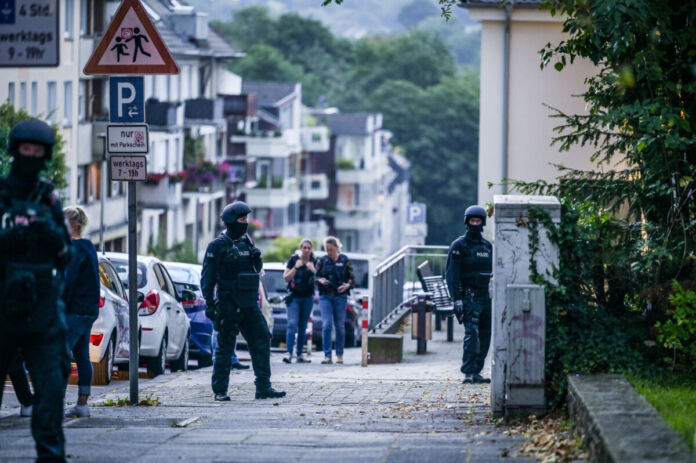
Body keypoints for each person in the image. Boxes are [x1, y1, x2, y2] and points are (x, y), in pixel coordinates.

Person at [0, 119, 72, 462]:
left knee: (52, 391)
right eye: (26, 150)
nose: (31, 156)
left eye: (37, 151)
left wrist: (51, 237)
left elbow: (66, 254)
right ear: (15, 151)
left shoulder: (48, 198)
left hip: (42, 308)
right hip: (2, 304)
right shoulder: (2, 193)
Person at [201, 201, 285, 401]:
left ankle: (263, 387)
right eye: (242, 219)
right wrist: (210, 304)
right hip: (228, 303)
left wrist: (257, 260)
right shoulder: (217, 246)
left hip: (249, 303)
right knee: (225, 347)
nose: (245, 222)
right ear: (231, 220)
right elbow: (207, 278)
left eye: (247, 219)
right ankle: (220, 390)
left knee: (262, 339)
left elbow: (256, 272)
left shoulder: (247, 242)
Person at [445, 205, 493, 384]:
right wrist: (456, 299)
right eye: (472, 220)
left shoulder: (487, 246)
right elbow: (451, 275)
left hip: (484, 296)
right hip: (468, 296)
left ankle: (477, 370)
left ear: (482, 223)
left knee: (485, 334)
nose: (475, 223)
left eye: (478, 220)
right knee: (471, 333)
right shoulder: (459, 246)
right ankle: (468, 371)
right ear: (467, 222)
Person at [62, 206, 100, 418]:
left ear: (74, 225)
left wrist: (59, 302)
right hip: (89, 309)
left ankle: (54, 403)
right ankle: (82, 404)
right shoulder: (89, 247)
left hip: (74, 310)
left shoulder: (74, 249)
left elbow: (69, 280)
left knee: (59, 355)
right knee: (82, 356)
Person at [316, 236, 354, 364]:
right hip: (325, 296)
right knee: (326, 325)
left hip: (340, 296)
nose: (329, 252)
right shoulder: (322, 260)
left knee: (340, 326)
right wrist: (320, 280)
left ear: (337, 248)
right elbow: (316, 276)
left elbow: (352, 278)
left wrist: (348, 285)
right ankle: (327, 355)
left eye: (331, 249)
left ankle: (339, 354)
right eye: (327, 250)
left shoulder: (345, 260)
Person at [282, 239, 317, 364]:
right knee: (292, 324)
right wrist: (296, 267)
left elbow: (320, 281)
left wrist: (313, 271)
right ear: (301, 248)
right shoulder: (293, 260)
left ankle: (300, 354)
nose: (306, 250)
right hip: (294, 297)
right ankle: (288, 352)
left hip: (307, 298)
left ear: (311, 249)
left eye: (309, 248)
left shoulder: (315, 261)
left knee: (302, 327)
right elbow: (286, 278)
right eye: (304, 247)